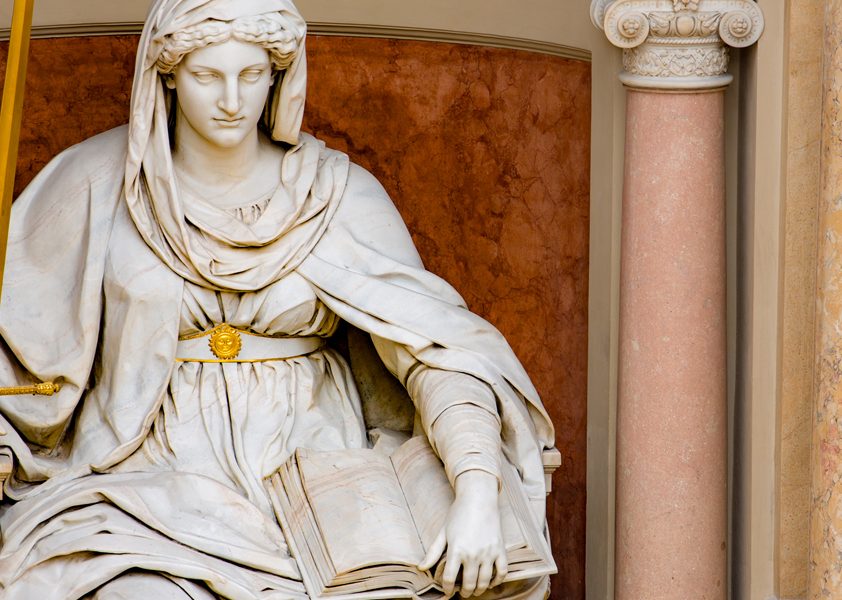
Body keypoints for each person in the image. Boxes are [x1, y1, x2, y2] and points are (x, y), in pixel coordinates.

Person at [0, 1, 555, 598]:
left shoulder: (334, 194)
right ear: (165, 74)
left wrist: (475, 491)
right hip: (142, 474)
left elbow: (439, 353)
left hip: (316, 480)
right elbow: (19, 354)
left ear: (279, 74)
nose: (232, 101)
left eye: (252, 75)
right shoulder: (95, 184)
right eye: (207, 76)